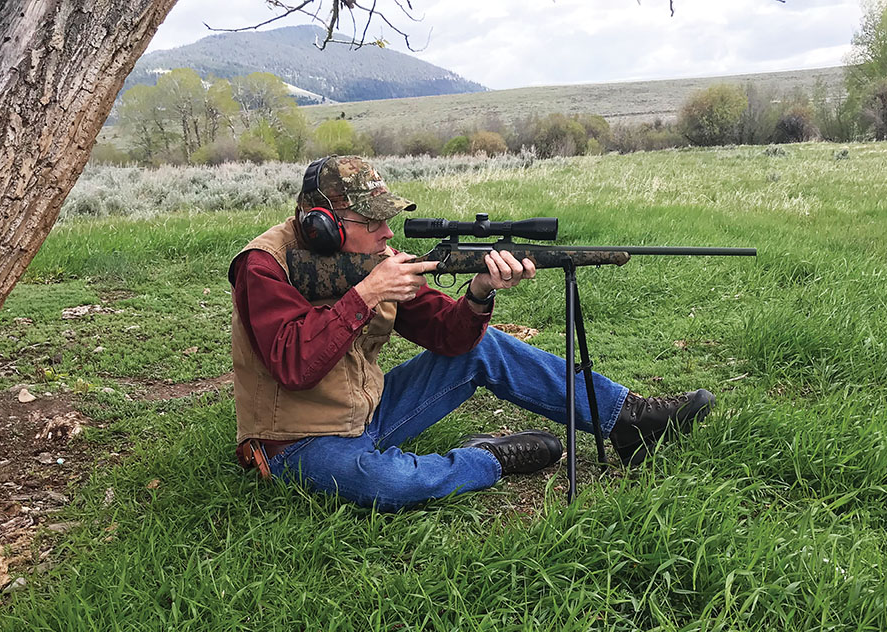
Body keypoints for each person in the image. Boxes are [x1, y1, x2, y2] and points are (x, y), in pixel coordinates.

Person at [229, 155, 714, 512]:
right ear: (323, 224)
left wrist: (480, 292)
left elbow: (451, 339)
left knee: (485, 346)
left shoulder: (368, 262)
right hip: (296, 442)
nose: (387, 234)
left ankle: (626, 418)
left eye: (388, 220)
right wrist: (367, 295)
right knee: (389, 486)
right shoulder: (264, 266)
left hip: (367, 411)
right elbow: (294, 366)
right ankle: (486, 458)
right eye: (372, 221)